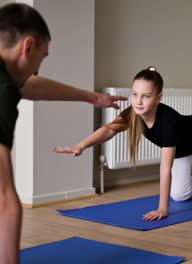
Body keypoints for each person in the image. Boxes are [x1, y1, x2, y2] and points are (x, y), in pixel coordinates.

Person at [0, 3, 128, 264]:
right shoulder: (2, 91)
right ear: (28, 47)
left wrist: (92, 98)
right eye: (42, 57)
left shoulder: (8, 78)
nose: (38, 69)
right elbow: (3, 199)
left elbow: (31, 87)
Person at [52, 66, 192, 221]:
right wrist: (81, 145)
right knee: (180, 195)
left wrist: (162, 208)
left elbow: (165, 168)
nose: (138, 101)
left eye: (145, 96)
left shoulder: (168, 122)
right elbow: (108, 130)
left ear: (158, 97)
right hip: (183, 150)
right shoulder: (133, 113)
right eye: (134, 94)